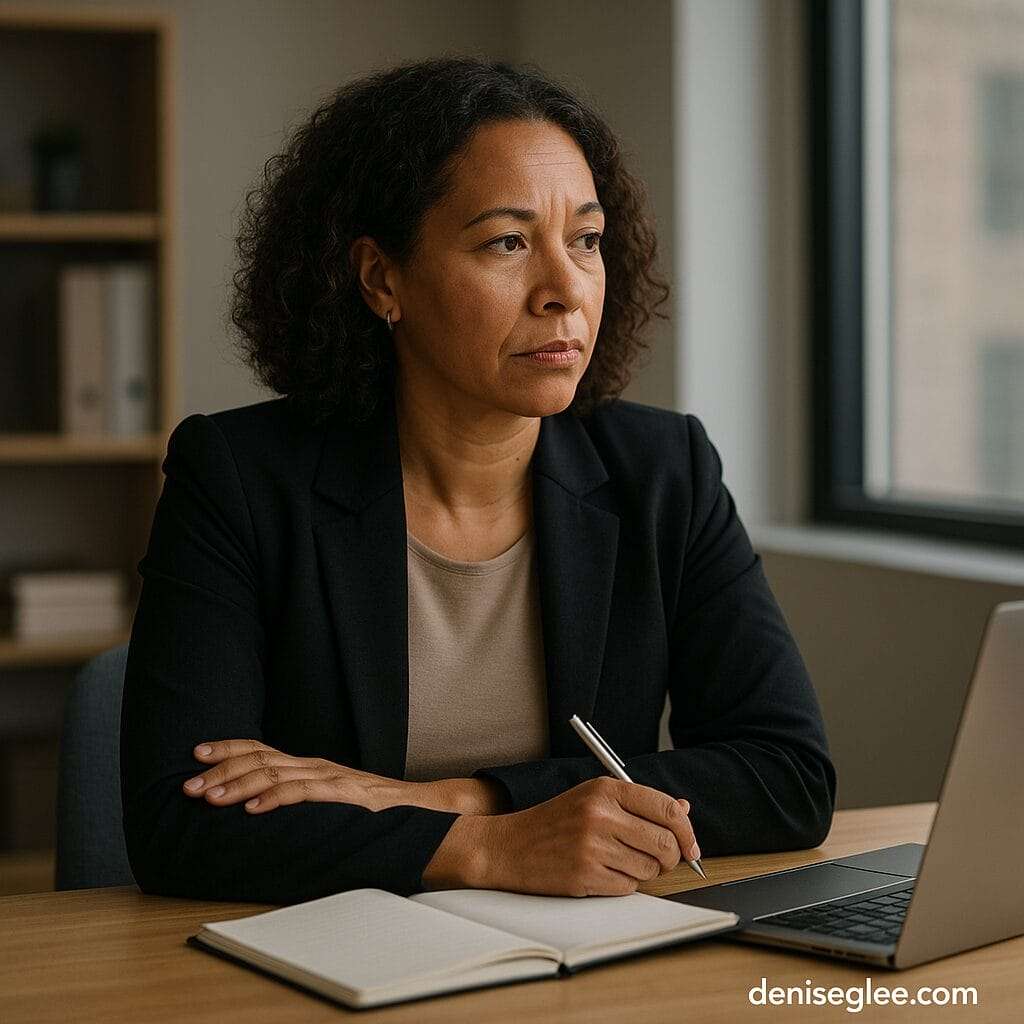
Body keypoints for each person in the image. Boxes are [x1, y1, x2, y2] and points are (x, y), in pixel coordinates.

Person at [120, 56, 836, 906]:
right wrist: (487, 850)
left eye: (586, 241)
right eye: (506, 242)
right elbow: (180, 823)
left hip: (585, 956)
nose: (565, 290)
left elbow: (787, 777)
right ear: (383, 279)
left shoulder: (662, 471)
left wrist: (457, 801)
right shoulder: (238, 478)